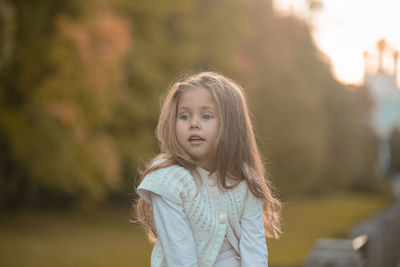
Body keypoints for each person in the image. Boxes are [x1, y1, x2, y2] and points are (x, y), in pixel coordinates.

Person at [135, 72, 282, 267]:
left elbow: (254, 251)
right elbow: (180, 256)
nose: (193, 123)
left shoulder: (245, 180)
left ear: (230, 125)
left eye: (206, 116)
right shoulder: (168, 181)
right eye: (184, 116)